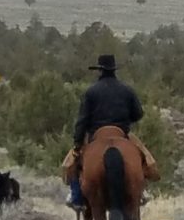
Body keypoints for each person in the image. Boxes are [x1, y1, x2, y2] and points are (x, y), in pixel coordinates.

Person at [63, 54, 158, 209]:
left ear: (99, 70)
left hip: (95, 135)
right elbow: (138, 114)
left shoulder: (91, 92)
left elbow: (82, 120)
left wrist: (77, 143)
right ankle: (142, 190)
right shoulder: (127, 90)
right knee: (145, 159)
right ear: (114, 70)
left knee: (71, 163)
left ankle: (76, 197)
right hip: (123, 133)